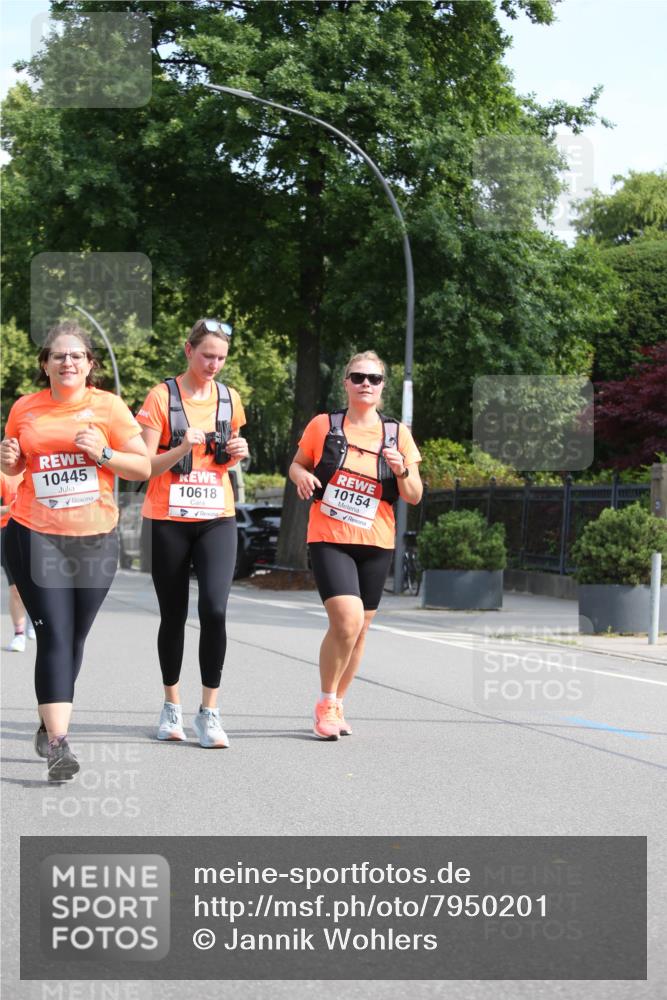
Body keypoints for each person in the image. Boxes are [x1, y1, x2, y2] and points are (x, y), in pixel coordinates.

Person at [0, 321, 151, 781]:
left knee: (76, 637)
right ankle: (60, 746)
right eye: (59, 356)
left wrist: (104, 454)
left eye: (76, 356)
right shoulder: (25, 409)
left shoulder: (108, 407)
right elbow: (16, 466)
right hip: (34, 532)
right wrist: (9, 462)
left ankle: (50, 721)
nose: (68, 362)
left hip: (95, 537)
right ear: (45, 364)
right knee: (55, 635)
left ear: (90, 365)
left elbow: (142, 467)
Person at [289, 350, 423, 740]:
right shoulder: (323, 426)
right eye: (359, 377)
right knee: (346, 621)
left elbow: (413, 495)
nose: (367, 384)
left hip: (376, 540)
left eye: (375, 379)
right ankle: (326, 701)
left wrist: (400, 469)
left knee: (361, 630)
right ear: (346, 382)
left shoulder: (397, 434)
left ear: (383, 387)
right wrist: (301, 476)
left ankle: (338, 703)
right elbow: (298, 463)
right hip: (330, 536)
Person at [137, 318, 248, 749]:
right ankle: (171, 706)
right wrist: (182, 447)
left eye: (220, 358)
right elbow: (145, 464)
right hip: (167, 517)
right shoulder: (161, 396)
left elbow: (229, 455)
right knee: (173, 614)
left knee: (216, 611)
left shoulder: (229, 398)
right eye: (207, 356)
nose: (214, 364)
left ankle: (210, 712)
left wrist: (239, 451)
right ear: (188, 350)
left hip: (216, 516)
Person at [1, 470, 36, 651]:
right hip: (9, 531)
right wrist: (9, 508)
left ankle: (34, 620)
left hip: (39, 531)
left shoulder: (39, 468)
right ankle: (19, 634)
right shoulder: (3, 474)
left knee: (36, 585)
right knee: (16, 589)